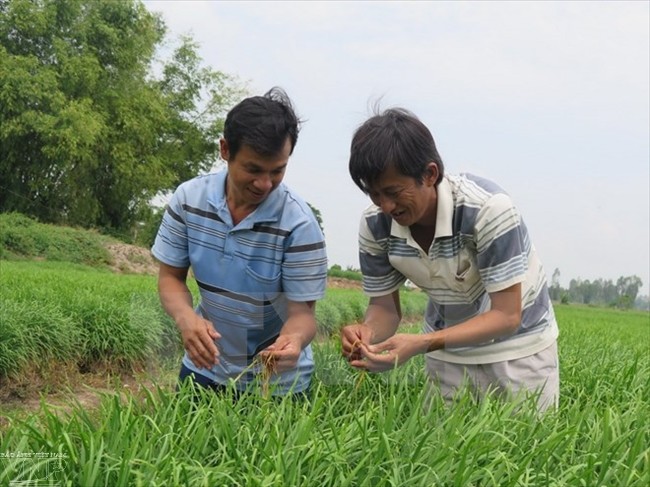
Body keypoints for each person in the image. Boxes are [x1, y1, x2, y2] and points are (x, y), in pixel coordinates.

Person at [341, 107, 559, 412]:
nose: (386, 206)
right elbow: (384, 308)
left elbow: (507, 316)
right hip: (447, 352)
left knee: (523, 449)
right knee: (443, 453)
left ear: (429, 174)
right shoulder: (375, 226)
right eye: (375, 194)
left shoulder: (488, 211)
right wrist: (367, 334)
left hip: (518, 351)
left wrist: (420, 344)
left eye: (393, 192)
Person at [152, 87, 328, 398]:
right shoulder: (189, 200)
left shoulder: (299, 224)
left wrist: (294, 341)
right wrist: (186, 318)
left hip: (275, 385)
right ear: (225, 150)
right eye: (253, 169)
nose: (265, 184)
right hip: (204, 368)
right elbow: (170, 278)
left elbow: (303, 314)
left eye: (278, 171)